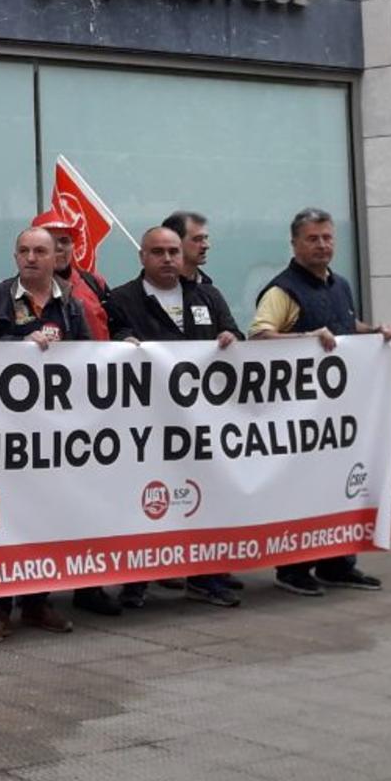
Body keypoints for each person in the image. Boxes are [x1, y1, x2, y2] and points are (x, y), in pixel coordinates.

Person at [252, 208, 391, 597]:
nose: (322, 245)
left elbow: (346, 329)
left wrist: (375, 332)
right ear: (295, 244)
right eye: (313, 239)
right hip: (298, 420)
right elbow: (260, 338)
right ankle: (294, 568)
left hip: (337, 418)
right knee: (299, 489)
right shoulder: (282, 291)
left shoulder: (341, 285)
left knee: (338, 484)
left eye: (327, 237)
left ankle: (338, 563)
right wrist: (306, 340)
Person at [100, 226, 245, 611]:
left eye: (173, 251)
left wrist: (230, 338)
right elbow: (110, 342)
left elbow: (235, 333)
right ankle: (136, 581)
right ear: (142, 257)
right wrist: (124, 344)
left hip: (201, 424)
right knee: (142, 501)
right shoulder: (120, 299)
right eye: (158, 252)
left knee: (206, 499)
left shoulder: (207, 295)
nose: (167, 259)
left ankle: (205, 579)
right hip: (145, 427)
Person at [0, 227, 85, 643]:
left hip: (53, 434)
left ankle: (37, 601)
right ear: (15, 256)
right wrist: (18, 342)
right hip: (7, 432)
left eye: (40, 251)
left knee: (47, 515)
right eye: (23, 251)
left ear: (55, 258)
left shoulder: (71, 302)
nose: (31, 258)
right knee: (6, 517)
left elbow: (88, 357)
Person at [33, 209, 110, 340]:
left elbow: (116, 325)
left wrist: (125, 337)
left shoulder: (94, 282)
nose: (59, 247)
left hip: (100, 359)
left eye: (64, 241)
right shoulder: (15, 292)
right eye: (50, 241)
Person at [163, 210, 215, 287]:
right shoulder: (152, 290)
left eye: (205, 238)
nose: (206, 246)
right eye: (197, 239)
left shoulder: (206, 286)